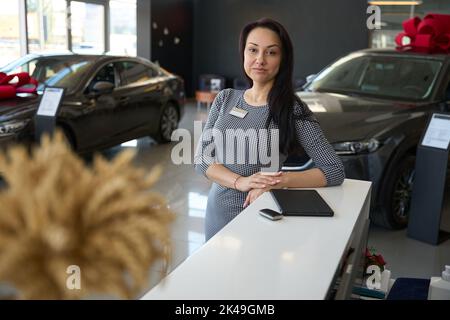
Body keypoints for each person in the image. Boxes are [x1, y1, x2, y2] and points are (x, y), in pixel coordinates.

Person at [195, 18, 345, 241]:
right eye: (253, 50)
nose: (260, 60)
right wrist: (240, 182)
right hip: (217, 212)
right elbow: (202, 160)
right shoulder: (225, 98)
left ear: (283, 59)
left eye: (271, 53)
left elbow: (334, 170)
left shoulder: (292, 109)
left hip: (259, 216)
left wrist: (279, 181)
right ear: (244, 54)